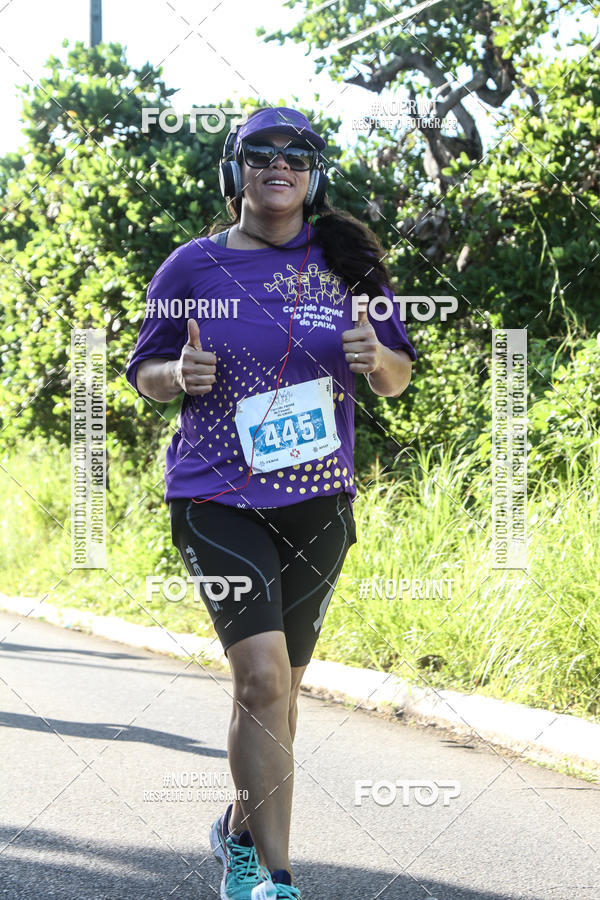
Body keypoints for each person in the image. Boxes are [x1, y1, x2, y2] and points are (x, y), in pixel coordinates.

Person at [125, 106, 417, 899]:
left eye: (297, 154)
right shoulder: (192, 266)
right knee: (258, 679)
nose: (278, 164)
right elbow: (143, 370)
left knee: (283, 690)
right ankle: (272, 876)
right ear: (237, 169)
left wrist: (377, 357)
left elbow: (397, 373)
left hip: (316, 499)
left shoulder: (349, 263)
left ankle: (236, 828)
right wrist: (175, 377)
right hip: (215, 495)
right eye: (261, 152)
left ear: (314, 174)